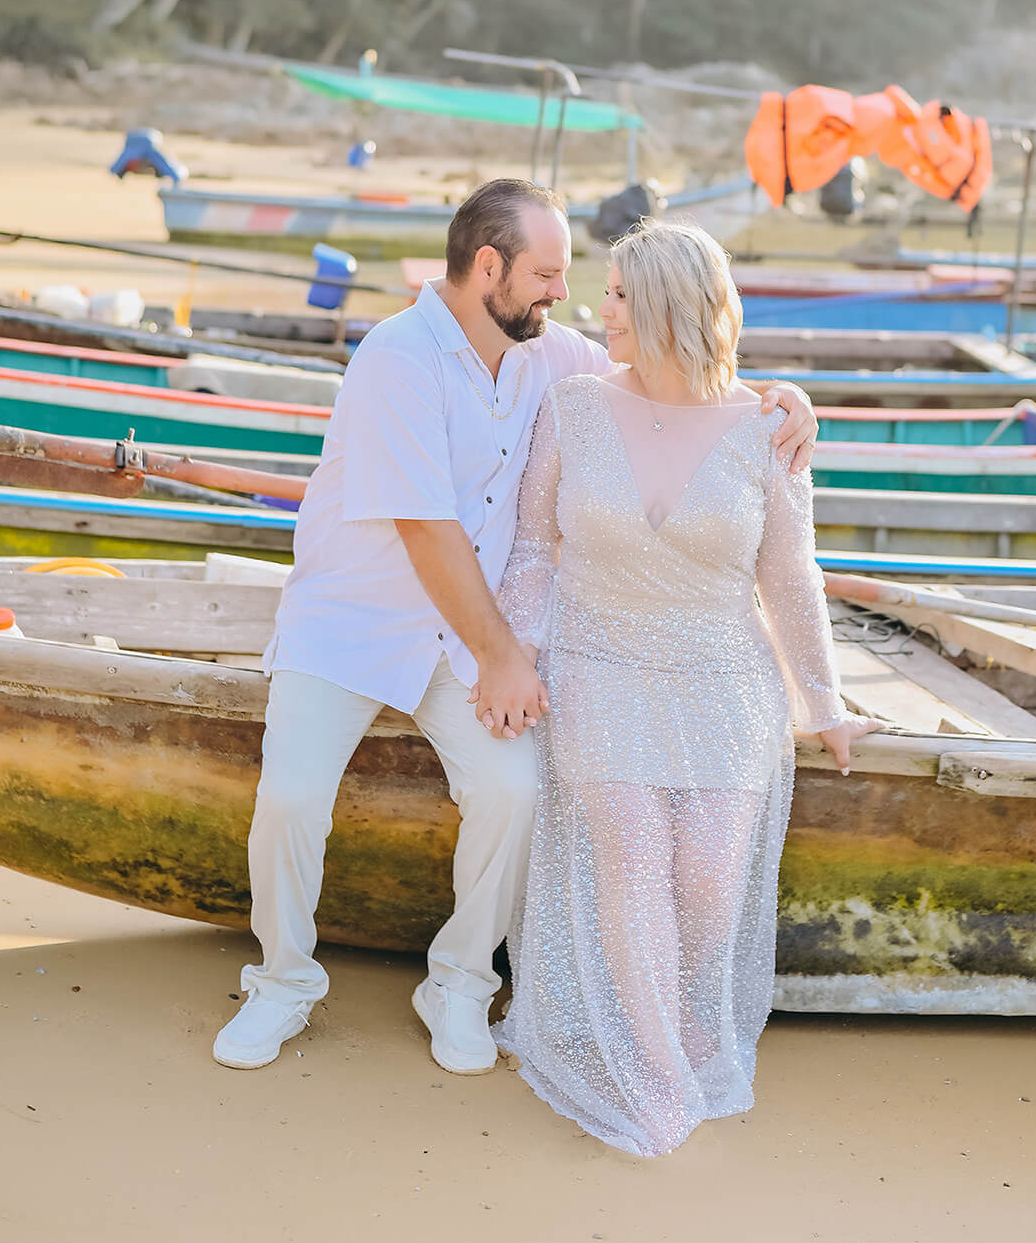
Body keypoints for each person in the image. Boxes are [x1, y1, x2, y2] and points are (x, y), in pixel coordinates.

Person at [213, 179, 818, 1073]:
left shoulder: (547, 351)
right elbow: (426, 529)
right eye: (546, 274)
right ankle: (283, 983)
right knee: (291, 797)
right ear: (487, 267)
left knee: (513, 794)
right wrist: (504, 656)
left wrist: (778, 397)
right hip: (353, 624)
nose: (562, 295)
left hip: (464, 639)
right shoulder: (396, 357)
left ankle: (458, 981)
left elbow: (671, 361)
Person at [495, 221, 876, 1157]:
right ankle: (656, 1065)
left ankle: (684, 1020)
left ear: (665, 304)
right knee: (629, 845)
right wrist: (508, 657)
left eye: (618, 295)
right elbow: (537, 549)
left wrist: (822, 702)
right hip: (598, 660)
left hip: (722, 675)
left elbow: (791, 579)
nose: (600, 310)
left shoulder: (765, 427)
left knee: (707, 877)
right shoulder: (575, 404)